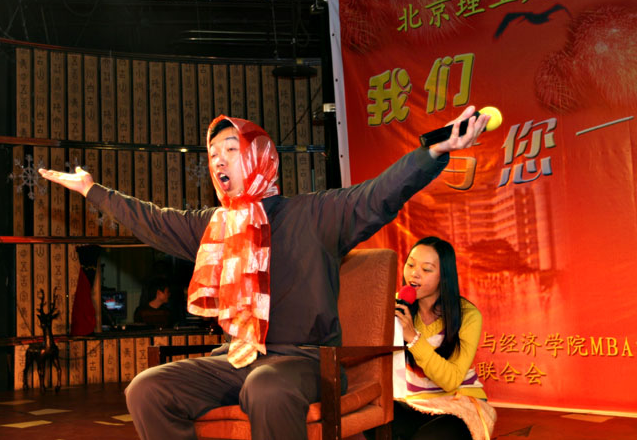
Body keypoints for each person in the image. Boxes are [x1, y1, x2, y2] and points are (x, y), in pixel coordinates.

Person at [38, 107, 489, 440]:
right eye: (213, 154)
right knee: (147, 388)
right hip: (239, 357)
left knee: (266, 385)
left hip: (307, 362)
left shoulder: (315, 214)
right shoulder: (216, 226)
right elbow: (154, 221)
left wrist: (433, 152)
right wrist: (93, 190)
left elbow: (378, 195)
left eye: (230, 150)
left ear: (259, 156)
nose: (218, 161)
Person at [378, 236, 496, 440]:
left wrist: (413, 338)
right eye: (410, 265)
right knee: (372, 416)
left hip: (458, 403)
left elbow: (451, 381)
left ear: (444, 277)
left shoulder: (468, 315)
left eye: (426, 269)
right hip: (411, 403)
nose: (414, 274)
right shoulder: (395, 306)